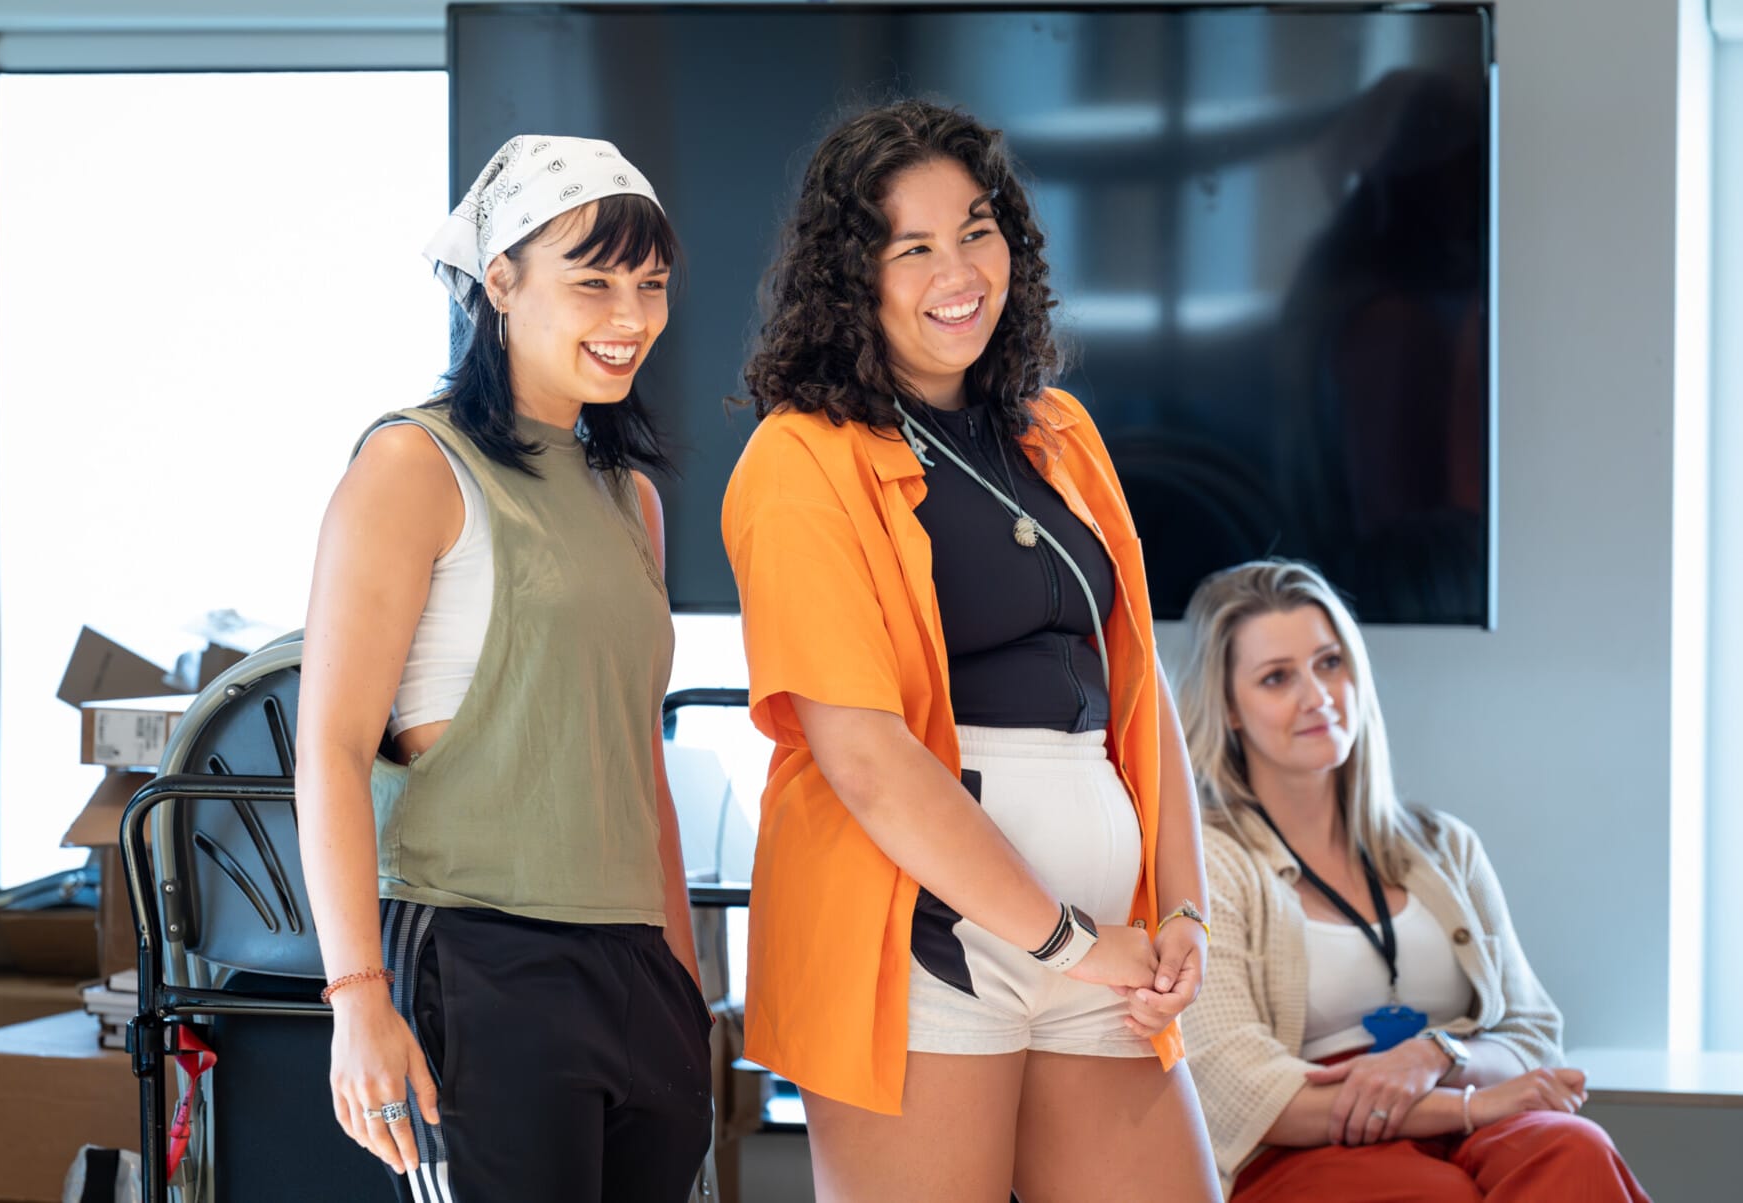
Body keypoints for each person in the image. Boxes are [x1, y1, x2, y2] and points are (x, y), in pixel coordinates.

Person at [721, 99, 1220, 1203]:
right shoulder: (799, 458)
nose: (958, 269)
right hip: (918, 943)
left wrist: (1181, 911)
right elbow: (864, 757)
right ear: (851, 277)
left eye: (977, 228)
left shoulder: (1061, 432)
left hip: (1107, 947)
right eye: (912, 247)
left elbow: (1138, 696)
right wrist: (1060, 940)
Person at [294, 135, 713, 1202]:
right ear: (500, 283)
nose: (630, 317)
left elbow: (637, 759)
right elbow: (332, 747)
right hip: (481, 959)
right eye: (593, 282)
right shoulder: (411, 465)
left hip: (636, 973)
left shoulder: (634, 499)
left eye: (651, 285)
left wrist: (685, 983)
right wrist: (357, 999)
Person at [1176, 559, 1649, 1200]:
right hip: (1308, 1145)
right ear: (1228, 709)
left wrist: (1435, 1056)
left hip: (1462, 1090)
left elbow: (1534, 1034)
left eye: (1330, 663)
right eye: (1277, 678)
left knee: (1576, 1149)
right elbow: (1241, 1091)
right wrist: (1465, 1109)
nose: (1317, 696)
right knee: (1432, 1194)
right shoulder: (1209, 862)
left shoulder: (1445, 845)